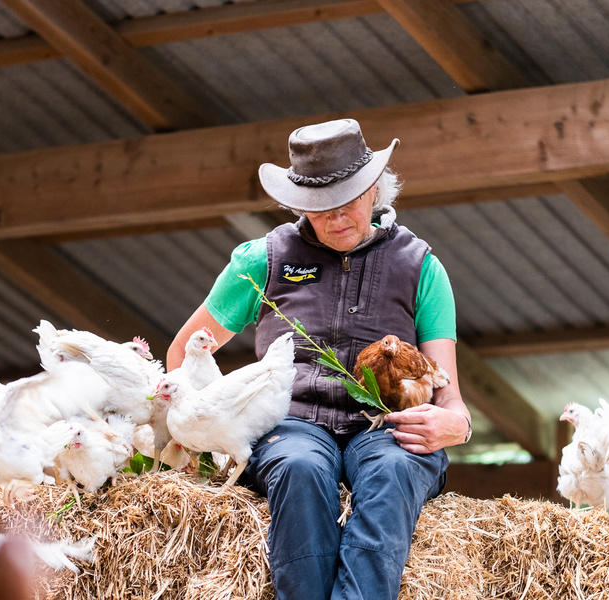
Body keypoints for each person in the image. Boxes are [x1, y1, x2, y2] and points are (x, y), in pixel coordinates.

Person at [167, 118, 472, 600]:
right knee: (300, 468)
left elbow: (448, 392)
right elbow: (185, 349)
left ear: (373, 189)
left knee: (392, 473)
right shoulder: (263, 259)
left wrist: (457, 425)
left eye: (345, 200)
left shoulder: (420, 267)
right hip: (290, 422)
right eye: (317, 208)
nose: (333, 218)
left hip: (387, 425)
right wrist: (203, 420)